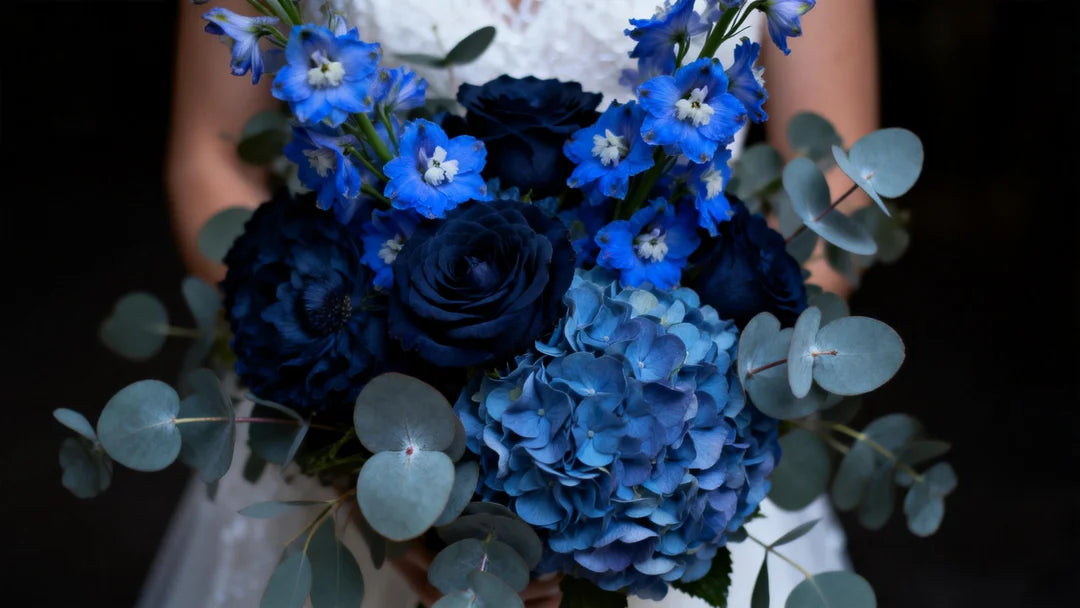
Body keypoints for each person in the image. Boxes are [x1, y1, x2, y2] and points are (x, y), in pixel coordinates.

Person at [154, 1, 879, 606]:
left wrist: (649, 475)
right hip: (367, 432)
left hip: (665, 451)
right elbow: (207, 158)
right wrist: (386, 474)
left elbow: (837, 189)